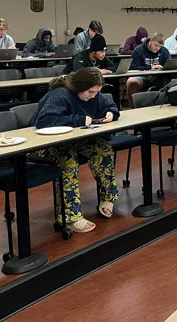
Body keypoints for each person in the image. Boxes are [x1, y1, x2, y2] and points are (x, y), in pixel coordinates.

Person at [30, 68, 120, 231]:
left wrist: (111, 113)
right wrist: (77, 120)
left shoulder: (93, 93)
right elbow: (45, 121)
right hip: (42, 144)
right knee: (68, 158)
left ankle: (108, 197)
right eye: (91, 92)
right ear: (79, 87)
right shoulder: (60, 94)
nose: (94, 95)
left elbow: (110, 105)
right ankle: (70, 217)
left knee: (102, 148)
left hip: (72, 141)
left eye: (97, 92)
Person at [126, 33, 171, 109]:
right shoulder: (139, 50)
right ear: (151, 41)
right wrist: (149, 68)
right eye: (156, 45)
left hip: (159, 76)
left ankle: (168, 107)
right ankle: (133, 109)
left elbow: (170, 63)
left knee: (173, 80)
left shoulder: (164, 51)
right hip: (142, 76)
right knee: (131, 82)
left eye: (160, 46)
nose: (158, 48)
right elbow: (132, 67)